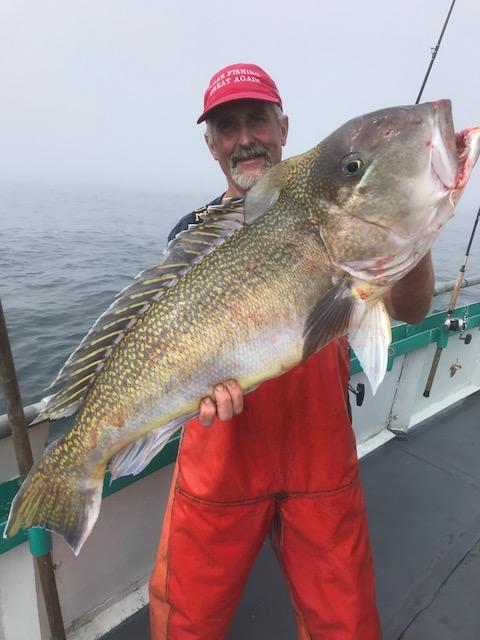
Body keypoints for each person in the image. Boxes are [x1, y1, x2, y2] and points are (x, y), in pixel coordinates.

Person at [149, 63, 434, 640]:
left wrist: (401, 224)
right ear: (211, 145)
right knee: (187, 623)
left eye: (257, 120)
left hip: (319, 451)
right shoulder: (192, 236)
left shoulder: (340, 212)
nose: (245, 138)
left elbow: (412, 310)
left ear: (284, 128)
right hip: (221, 451)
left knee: (345, 625)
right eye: (227, 127)